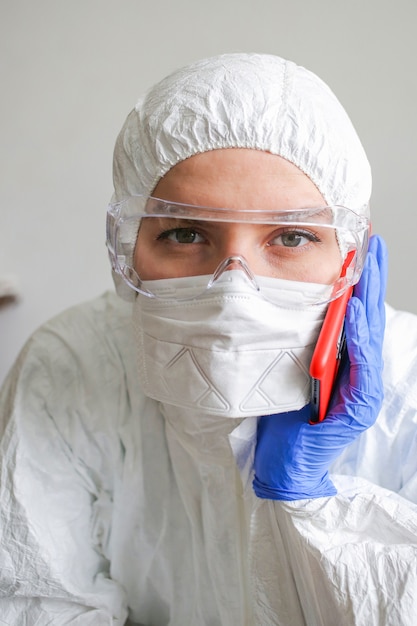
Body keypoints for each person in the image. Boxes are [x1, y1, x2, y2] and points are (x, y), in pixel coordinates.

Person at [1, 52, 417, 626]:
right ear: (126, 248)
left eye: (291, 236)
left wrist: (309, 503)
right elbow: (36, 603)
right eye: (185, 232)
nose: (234, 293)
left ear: (352, 255)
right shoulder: (73, 364)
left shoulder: (408, 384)